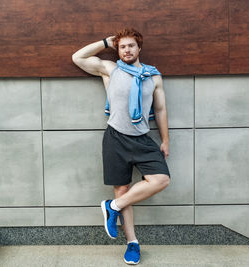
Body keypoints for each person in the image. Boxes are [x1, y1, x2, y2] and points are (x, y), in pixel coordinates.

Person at [72, 28, 171, 265]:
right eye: (122, 47)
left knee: (161, 179)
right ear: (118, 50)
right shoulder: (110, 69)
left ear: (139, 49)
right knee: (122, 189)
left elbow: (160, 110)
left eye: (131, 46)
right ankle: (132, 244)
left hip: (142, 138)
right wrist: (106, 41)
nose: (127, 50)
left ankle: (111, 207)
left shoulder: (153, 76)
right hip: (116, 137)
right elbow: (78, 58)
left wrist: (166, 139)